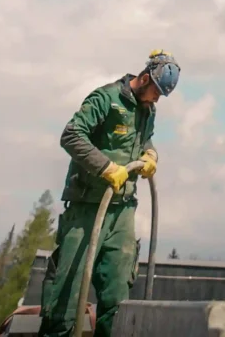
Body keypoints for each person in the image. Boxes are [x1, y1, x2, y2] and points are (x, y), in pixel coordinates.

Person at [38, 51, 180, 337]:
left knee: (118, 298)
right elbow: (71, 135)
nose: (157, 99)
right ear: (144, 78)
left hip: (122, 212)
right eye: (155, 92)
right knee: (67, 296)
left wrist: (150, 152)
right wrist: (105, 168)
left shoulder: (147, 109)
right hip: (87, 210)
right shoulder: (105, 99)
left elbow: (143, 138)